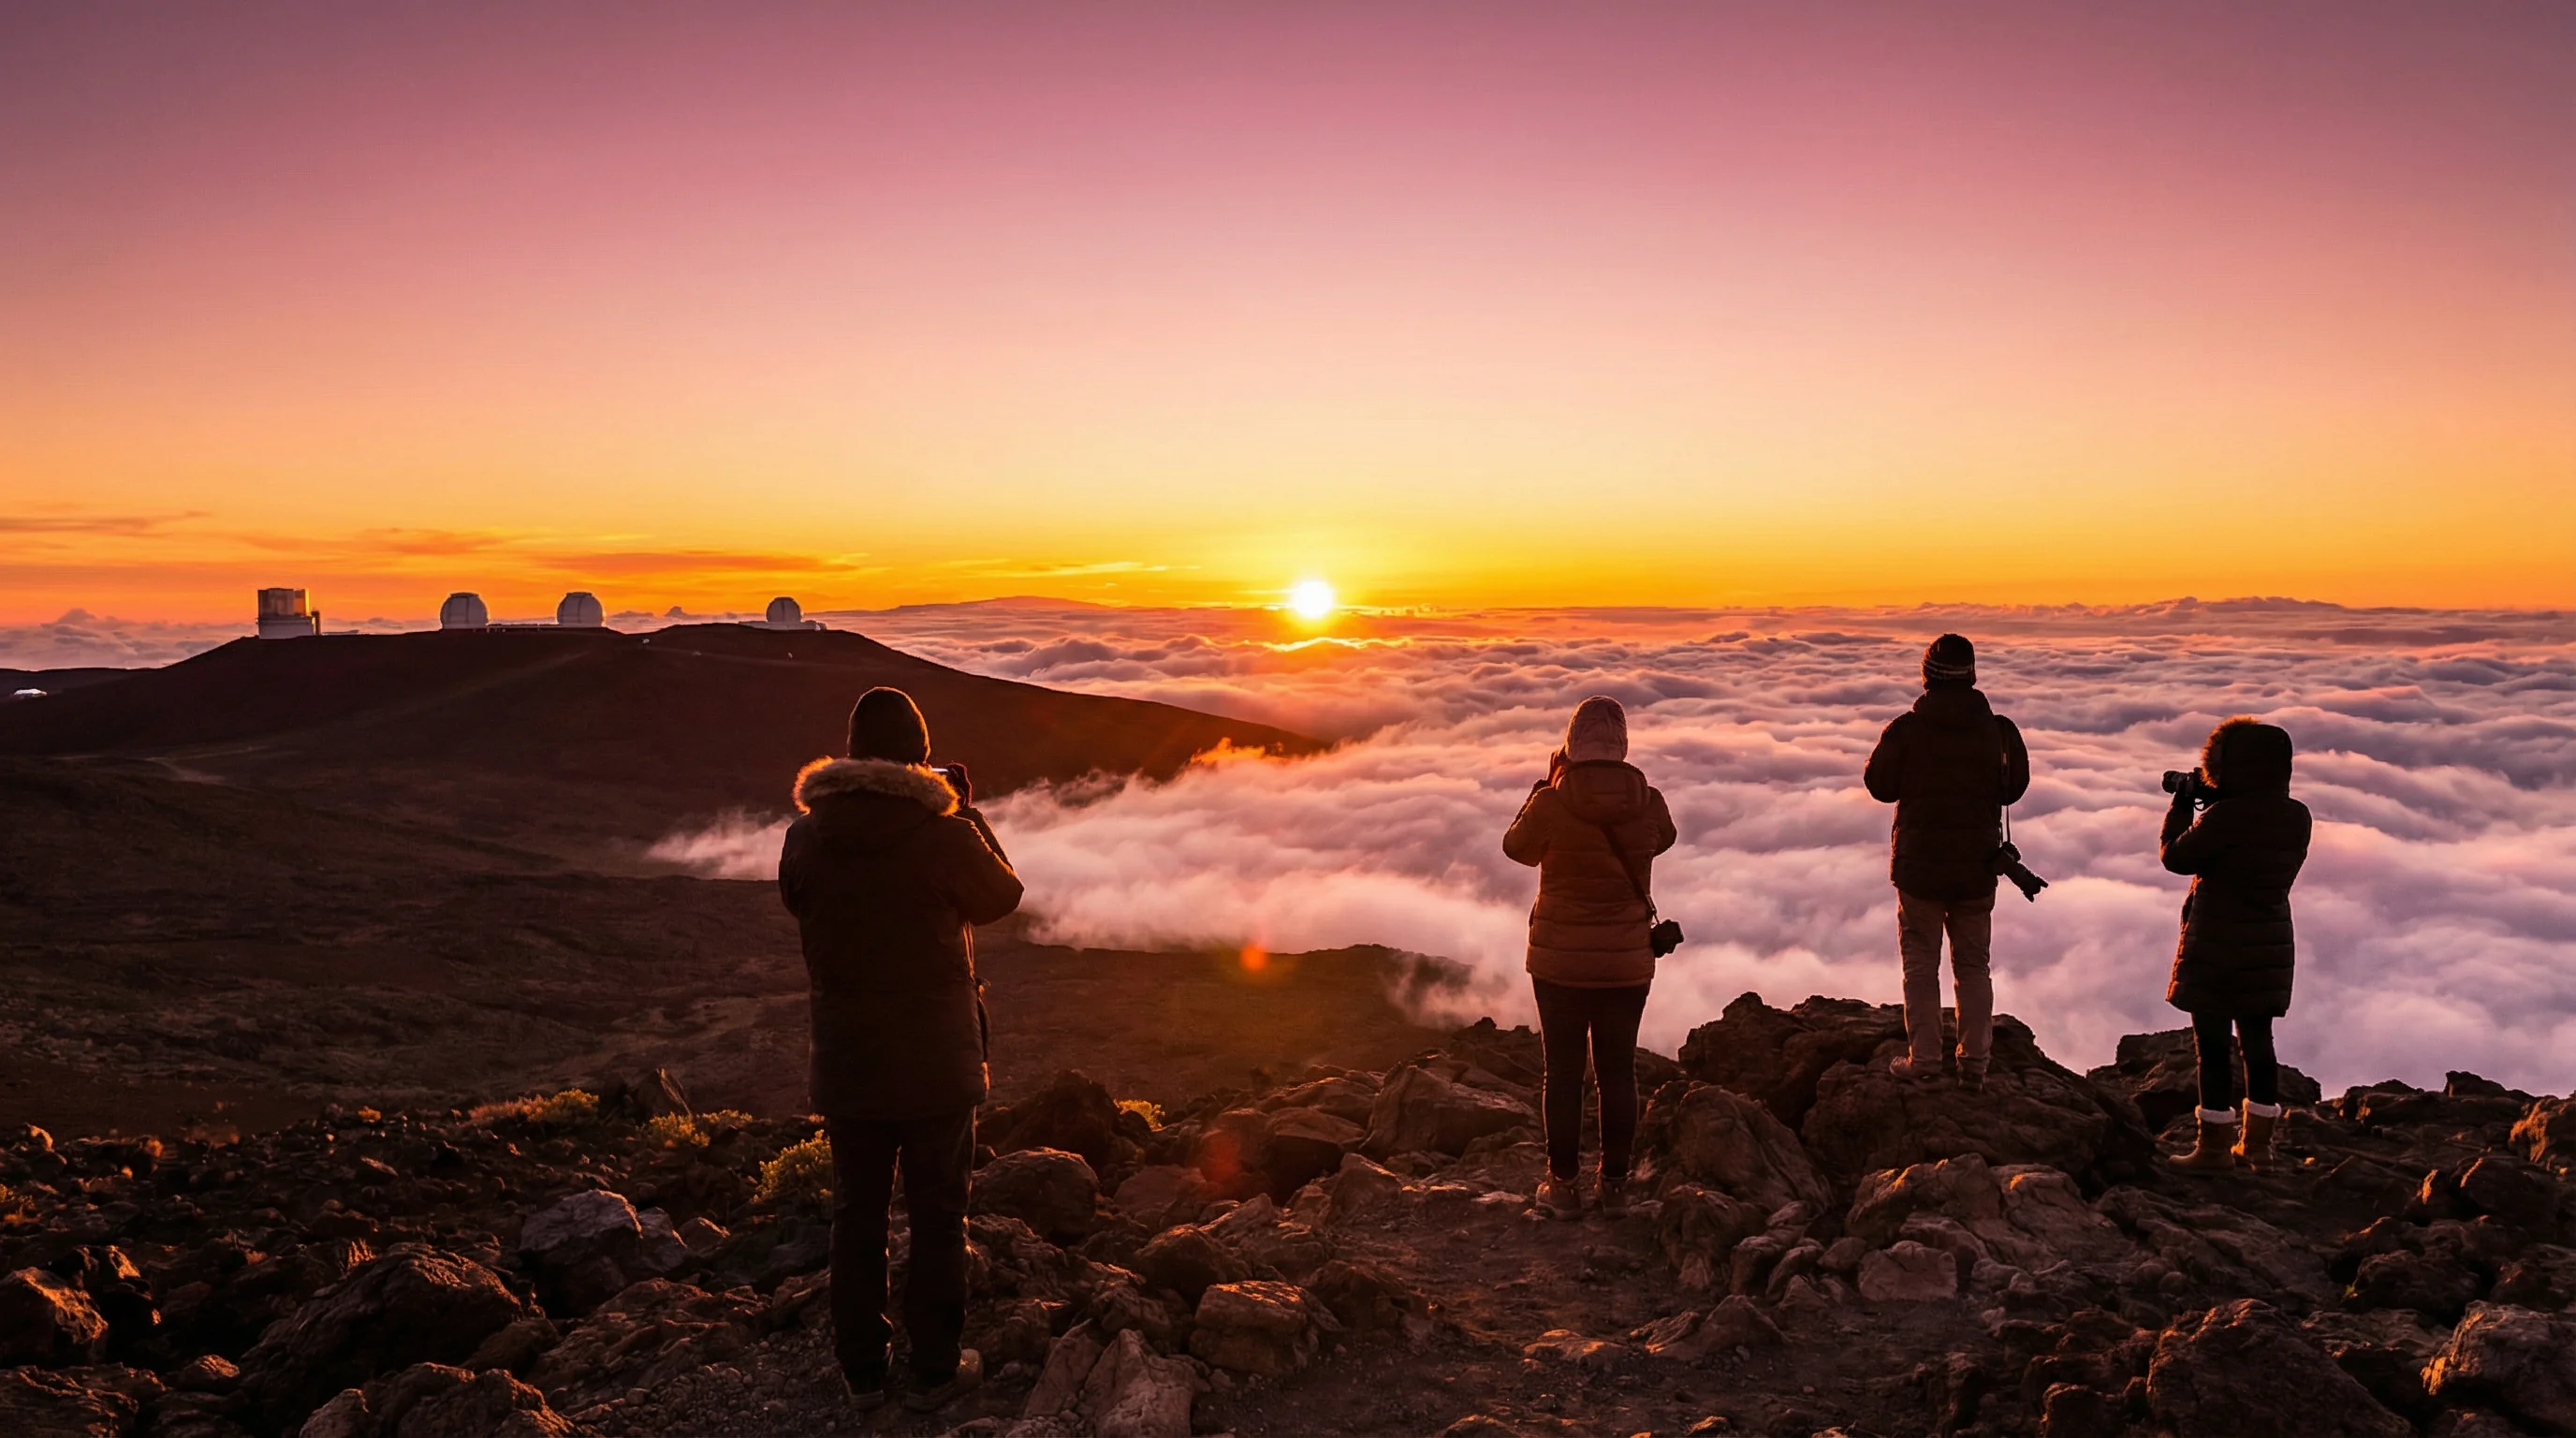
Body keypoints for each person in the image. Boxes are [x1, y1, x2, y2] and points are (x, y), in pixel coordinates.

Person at [778, 687, 1024, 1412]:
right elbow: (1002, 895)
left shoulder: (804, 837)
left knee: (856, 1214)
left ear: (853, 753)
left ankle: (861, 1371)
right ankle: (936, 1368)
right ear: (919, 756)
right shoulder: (944, 835)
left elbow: (797, 900)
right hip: (935, 1062)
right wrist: (965, 812)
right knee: (938, 1215)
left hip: (847, 1061)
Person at [1502, 696, 1677, 1221]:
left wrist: (1544, 785)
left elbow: (1516, 848)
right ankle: (1616, 1186)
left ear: (1571, 744)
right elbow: (1664, 840)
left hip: (1559, 964)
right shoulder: (1649, 801)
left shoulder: (1550, 802)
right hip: (1626, 963)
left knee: (1562, 1074)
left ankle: (1562, 1187)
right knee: (1617, 1073)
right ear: (1622, 744)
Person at [1863, 634, 2031, 1093]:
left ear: (1927, 676)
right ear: (1972, 675)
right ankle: (1974, 1064)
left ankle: (1924, 1061)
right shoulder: (2000, 732)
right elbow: (2014, 790)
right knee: (1973, 966)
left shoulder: (1906, 730)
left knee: (1920, 965)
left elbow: (1879, 786)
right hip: (1977, 868)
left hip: (1919, 871)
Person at [2161, 717, 2310, 1173]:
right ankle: (2259, 1148)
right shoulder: (2296, 816)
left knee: (2212, 1048)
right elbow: (2254, 836)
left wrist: (2182, 803)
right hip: (2269, 946)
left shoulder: (2224, 818)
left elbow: (2175, 856)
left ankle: (2213, 1150)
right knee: (2258, 1045)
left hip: (2217, 944)